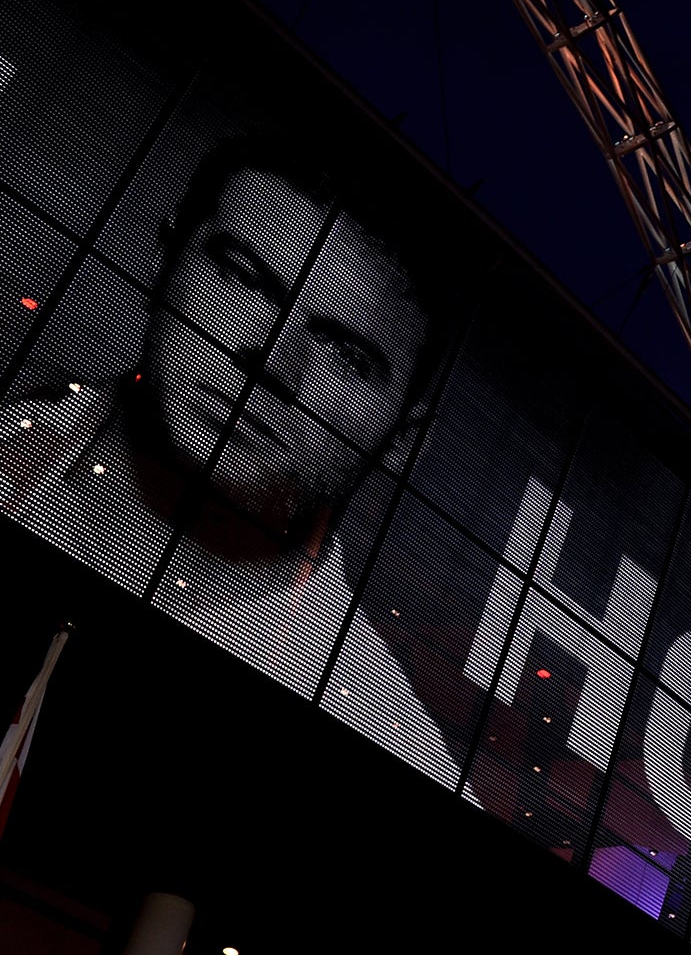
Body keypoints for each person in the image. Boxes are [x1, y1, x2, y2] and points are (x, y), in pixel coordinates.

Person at [0, 132, 462, 785]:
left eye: (345, 355)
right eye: (244, 278)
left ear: (404, 440)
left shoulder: (397, 748)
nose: (270, 362)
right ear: (164, 261)